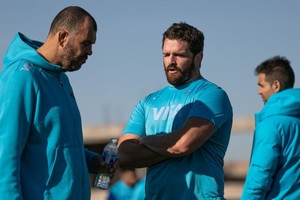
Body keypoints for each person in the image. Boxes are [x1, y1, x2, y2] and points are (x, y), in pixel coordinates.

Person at [117, 22, 233, 199]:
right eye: (166, 54)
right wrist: (172, 146)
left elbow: (183, 144)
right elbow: (125, 154)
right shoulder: (148, 102)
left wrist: (145, 142)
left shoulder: (212, 95)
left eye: (179, 55)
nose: (171, 61)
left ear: (198, 58)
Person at [0, 6, 105, 200]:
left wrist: (90, 159)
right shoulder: (22, 77)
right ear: (63, 37)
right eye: (86, 43)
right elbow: (4, 156)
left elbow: (54, 144)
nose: (90, 52)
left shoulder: (61, 79)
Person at [241, 56, 300, 199]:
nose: (258, 91)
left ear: (276, 85)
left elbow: (260, 174)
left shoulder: (271, 124)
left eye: (261, 85)